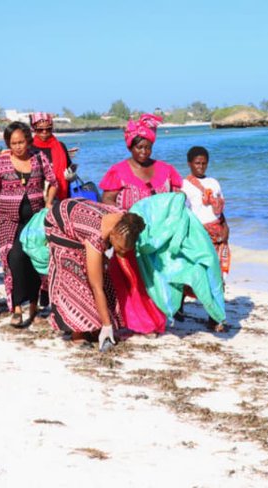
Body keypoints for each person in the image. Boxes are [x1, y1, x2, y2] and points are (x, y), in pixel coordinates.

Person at [97, 113, 181, 335]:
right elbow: (107, 200)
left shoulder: (166, 169)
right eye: (139, 147)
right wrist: (121, 222)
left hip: (158, 238)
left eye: (147, 147)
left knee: (154, 279)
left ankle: (156, 318)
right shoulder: (118, 171)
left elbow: (177, 197)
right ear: (130, 147)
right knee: (130, 280)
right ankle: (137, 322)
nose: (144, 152)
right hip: (129, 237)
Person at [44, 197, 145, 349]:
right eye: (120, 248)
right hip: (58, 224)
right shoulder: (96, 235)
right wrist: (107, 326)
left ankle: (95, 325)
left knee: (103, 275)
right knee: (77, 275)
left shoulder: (125, 220)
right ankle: (77, 333)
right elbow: (96, 286)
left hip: (79, 216)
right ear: (112, 236)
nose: (121, 253)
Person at [0, 122, 56, 327]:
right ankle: (15, 307)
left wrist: (48, 204)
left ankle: (33, 303)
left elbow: (53, 181)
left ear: (28, 140)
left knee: (33, 259)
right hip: (7, 220)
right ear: (8, 143)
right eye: (13, 143)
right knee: (13, 258)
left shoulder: (39, 158)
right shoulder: (0, 163)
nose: (18, 147)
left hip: (34, 221)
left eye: (21, 142)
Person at [179, 146, 230, 277]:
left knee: (217, 270)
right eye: (197, 163)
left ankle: (217, 296)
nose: (201, 166)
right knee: (199, 270)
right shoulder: (184, 185)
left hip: (217, 231)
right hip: (199, 233)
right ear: (189, 164)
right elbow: (183, 213)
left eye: (204, 163)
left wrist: (225, 227)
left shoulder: (213, 182)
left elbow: (219, 210)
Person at [29, 112, 75, 202]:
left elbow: (69, 166)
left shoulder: (61, 146)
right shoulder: (29, 148)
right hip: (38, 197)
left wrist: (71, 175)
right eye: (40, 129)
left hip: (62, 195)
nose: (44, 132)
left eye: (48, 129)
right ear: (34, 129)